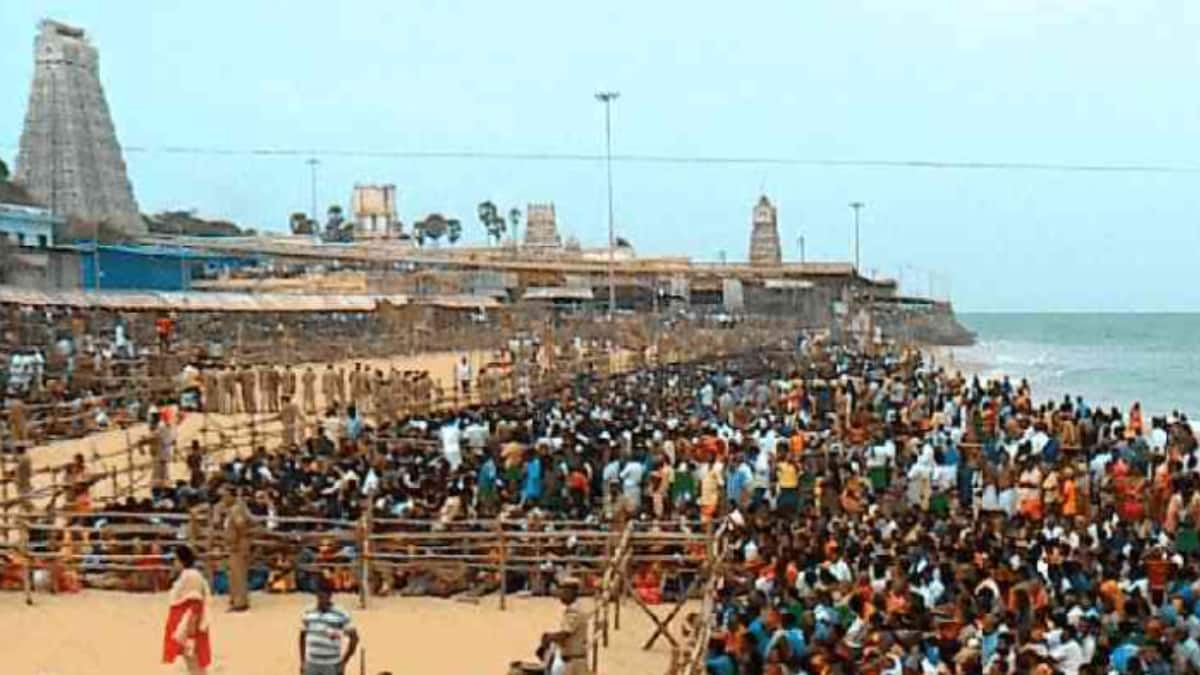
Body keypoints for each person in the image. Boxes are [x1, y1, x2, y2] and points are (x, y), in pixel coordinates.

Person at [162, 545, 212, 675]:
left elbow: (195, 604)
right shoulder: (185, 575)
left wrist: (190, 632)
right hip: (185, 623)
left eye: (175, 560)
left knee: (194, 660)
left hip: (188, 624)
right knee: (191, 661)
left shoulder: (191, 576)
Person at [300, 580, 360, 675]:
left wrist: (344, 662)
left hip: (332, 664)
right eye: (320, 596)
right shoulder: (309, 613)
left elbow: (354, 638)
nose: (322, 599)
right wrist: (303, 661)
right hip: (312, 664)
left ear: (330, 596)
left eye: (325, 596)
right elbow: (302, 636)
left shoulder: (341, 614)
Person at [543, 578, 589, 675]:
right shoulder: (572, 609)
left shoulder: (574, 611)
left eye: (564, 592)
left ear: (571, 593)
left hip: (574, 662)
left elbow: (565, 634)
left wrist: (549, 637)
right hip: (571, 660)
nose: (561, 595)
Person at [222, 488, 252, 611]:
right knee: (234, 574)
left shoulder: (236, 509)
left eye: (225, 496)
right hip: (234, 545)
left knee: (238, 574)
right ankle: (236, 600)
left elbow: (241, 524)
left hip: (238, 546)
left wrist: (237, 541)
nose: (223, 499)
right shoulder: (233, 509)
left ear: (232, 497)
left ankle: (240, 603)